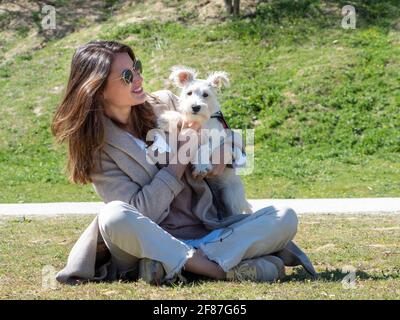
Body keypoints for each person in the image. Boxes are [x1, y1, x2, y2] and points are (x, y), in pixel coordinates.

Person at [52, 40, 316, 285]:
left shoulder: (166, 102)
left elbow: (232, 137)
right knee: (113, 215)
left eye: (137, 68)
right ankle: (219, 269)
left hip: (208, 231)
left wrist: (224, 153)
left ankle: (176, 264)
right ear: (97, 89)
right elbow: (141, 213)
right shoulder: (98, 150)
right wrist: (182, 157)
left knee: (285, 216)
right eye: (127, 76)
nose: (140, 78)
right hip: (150, 239)